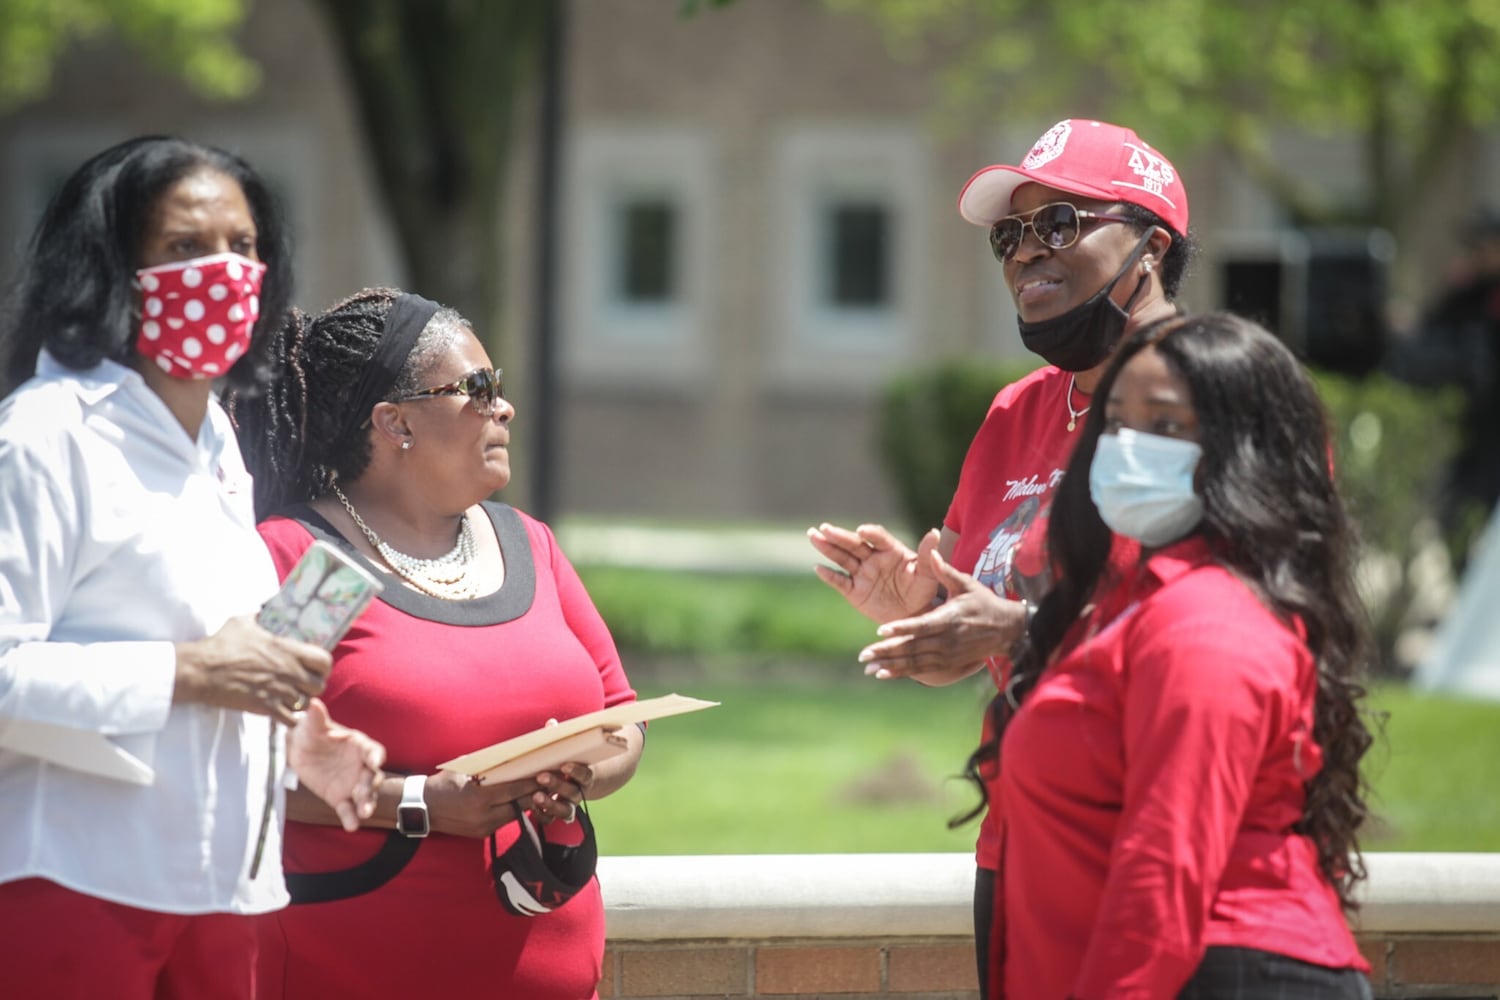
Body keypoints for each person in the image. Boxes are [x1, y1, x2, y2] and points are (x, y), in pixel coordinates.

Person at [807, 118, 1196, 992]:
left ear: (1152, 246)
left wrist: (1018, 626)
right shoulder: (1018, 412)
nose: (1027, 254)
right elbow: (986, 634)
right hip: (1020, 836)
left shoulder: (1215, 392)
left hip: (1159, 833)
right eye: (1011, 236)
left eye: (1061, 225)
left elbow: (1221, 618)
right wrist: (922, 616)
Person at [0, 136, 385, 998]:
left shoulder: (218, 444)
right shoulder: (43, 435)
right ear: (109, 266)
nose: (224, 272)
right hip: (73, 882)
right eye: (184, 247)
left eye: (243, 247)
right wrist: (190, 673)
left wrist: (298, 741)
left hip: (225, 892)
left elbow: (218, 650)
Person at [229, 287, 645, 1000]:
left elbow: (622, 715)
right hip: (352, 965)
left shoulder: (530, 544)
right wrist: (416, 801)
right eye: (477, 389)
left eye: (500, 389)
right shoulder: (314, 563)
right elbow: (239, 761)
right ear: (395, 423)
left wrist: (580, 777)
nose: (503, 408)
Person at [968, 310, 1375, 998]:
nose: (1126, 448)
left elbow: (1161, 880)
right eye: (1117, 423)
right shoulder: (1132, 608)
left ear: (1243, 447)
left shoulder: (1207, 629)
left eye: (1163, 426)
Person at [1387, 205, 1500, 561]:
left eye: (1485, 245)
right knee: (1456, 515)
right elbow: (1431, 332)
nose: (1478, 254)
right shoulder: (1471, 293)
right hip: (1481, 432)